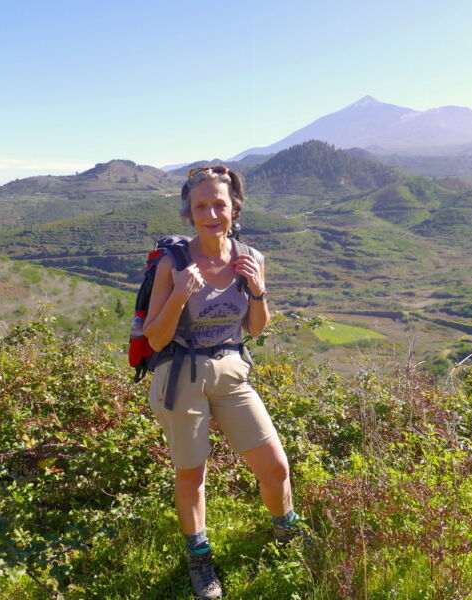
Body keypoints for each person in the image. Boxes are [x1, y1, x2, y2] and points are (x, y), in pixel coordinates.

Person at [143, 166, 301, 599]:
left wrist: (258, 288)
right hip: (180, 377)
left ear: (235, 208)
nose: (211, 213)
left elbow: (255, 329)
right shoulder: (174, 263)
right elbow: (155, 337)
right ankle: (199, 558)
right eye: (201, 206)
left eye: (220, 204)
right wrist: (179, 293)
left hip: (231, 371)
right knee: (192, 474)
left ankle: (287, 535)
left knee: (275, 466)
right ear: (189, 212)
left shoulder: (250, 256)